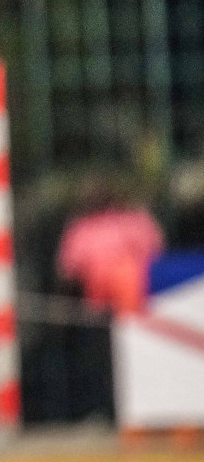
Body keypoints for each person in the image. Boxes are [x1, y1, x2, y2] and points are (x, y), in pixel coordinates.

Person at [55, 178, 163, 420]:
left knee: (127, 362)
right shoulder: (84, 228)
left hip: (136, 308)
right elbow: (69, 272)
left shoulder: (132, 221)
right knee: (108, 365)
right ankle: (111, 411)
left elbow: (156, 258)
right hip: (105, 311)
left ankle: (136, 410)